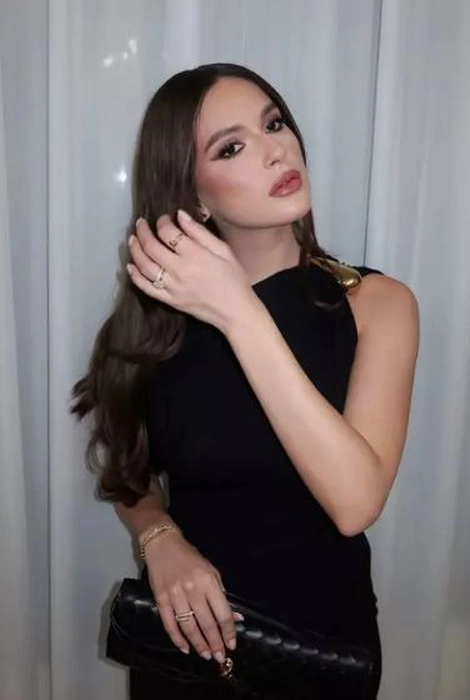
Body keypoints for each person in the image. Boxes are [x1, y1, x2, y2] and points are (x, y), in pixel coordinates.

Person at [70, 62, 420, 699]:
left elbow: (355, 502)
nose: (276, 150)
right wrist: (159, 540)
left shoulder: (376, 305)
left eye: (274, 123)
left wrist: (239, 311)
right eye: (231, 147)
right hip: (184, 649)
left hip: (316, 652)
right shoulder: (159, 322)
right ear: (194, 195)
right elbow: (128, 471)